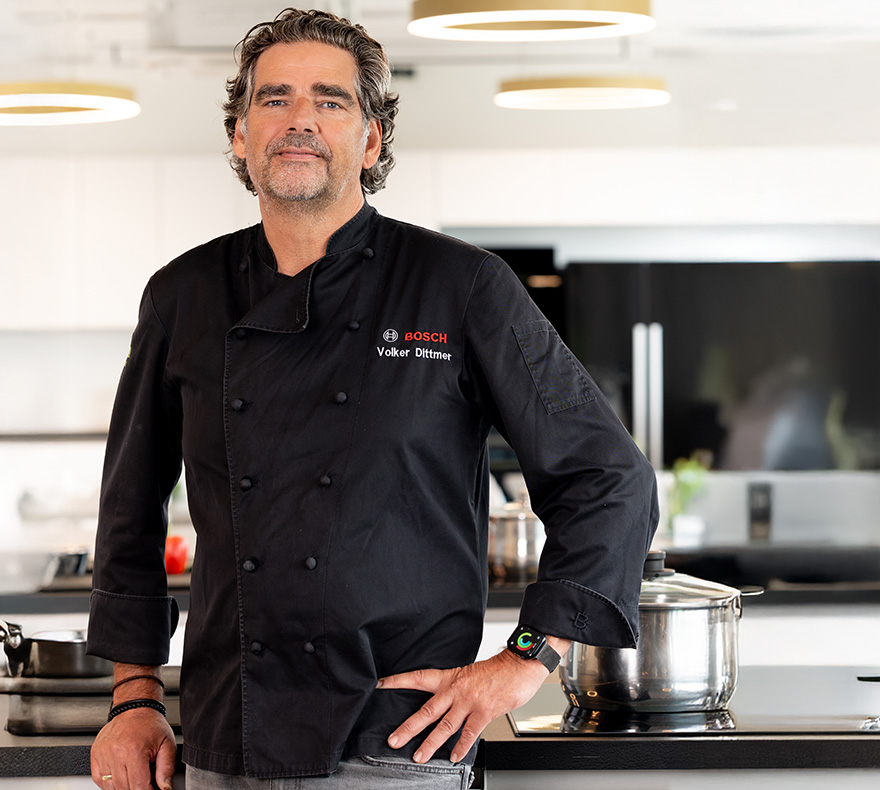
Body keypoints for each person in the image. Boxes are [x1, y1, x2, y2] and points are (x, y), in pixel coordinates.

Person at [87, 8, 657, 789]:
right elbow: (128, 509)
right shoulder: (182, 296)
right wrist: (133, 695)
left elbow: (608, 477)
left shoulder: (461, 286)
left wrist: (527, 659)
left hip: (401, 745)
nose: (300, 119)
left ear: (370, 140)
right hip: (230, 736)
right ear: (241, 137)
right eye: (274, 98)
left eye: (330, 100)